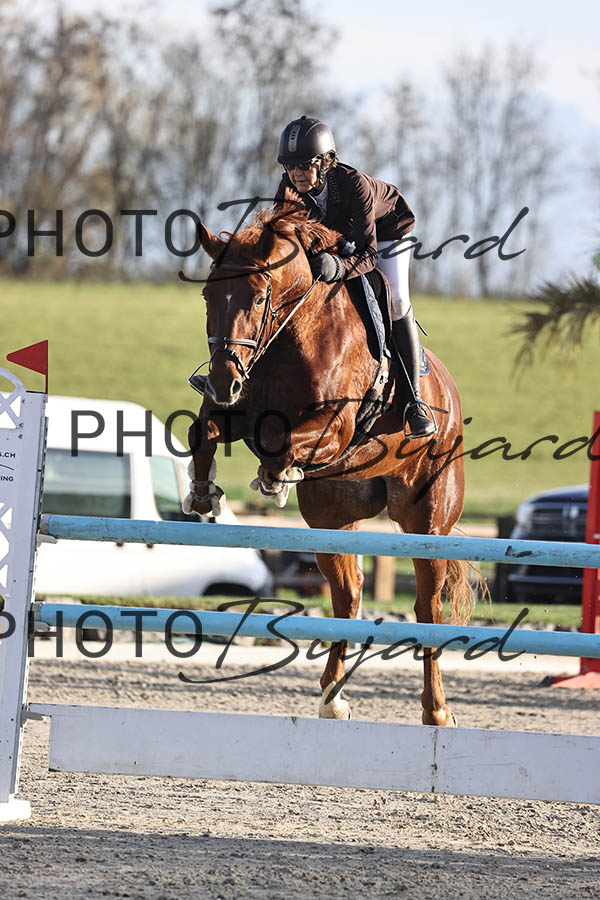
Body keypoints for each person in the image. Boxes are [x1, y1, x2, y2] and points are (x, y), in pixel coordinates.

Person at [189, 114, 436, 439]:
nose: (296, 174)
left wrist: (338, 267)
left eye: (304, 166)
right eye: (290, 167)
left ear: (326, 161)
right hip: (336, 237)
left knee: (397, 299)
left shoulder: (355, 185)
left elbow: (368, 254)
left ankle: (414, 401)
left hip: (387, 231)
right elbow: (286, 241)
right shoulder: (288, 187)